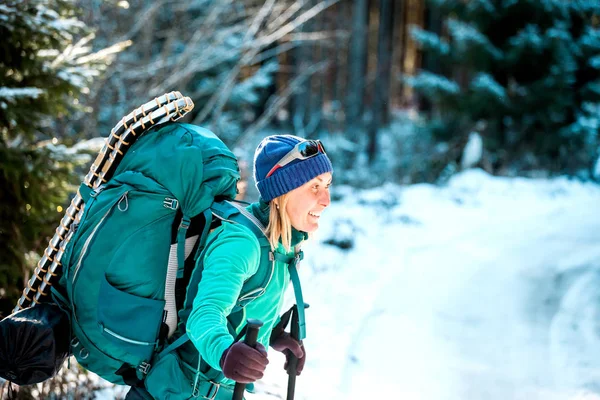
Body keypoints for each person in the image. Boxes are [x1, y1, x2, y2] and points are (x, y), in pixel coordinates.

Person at [128, 134, 333, 399]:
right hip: (180, 390)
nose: (326, 200)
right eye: (315, 187)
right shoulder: (243, 243)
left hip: (220, 391)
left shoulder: (282, 244)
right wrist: (225, 353)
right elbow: (204, 315)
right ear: (284, 192)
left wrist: (272, 334)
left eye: (327, 185)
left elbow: (241, 304)